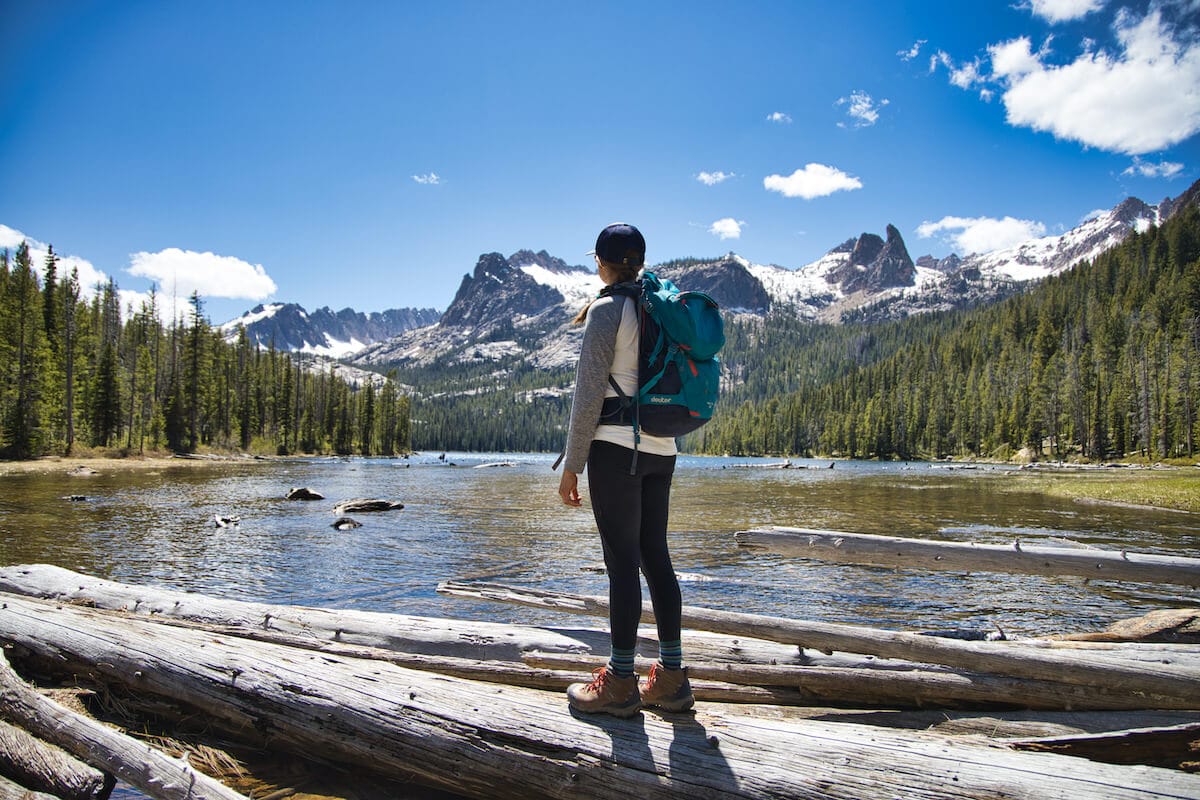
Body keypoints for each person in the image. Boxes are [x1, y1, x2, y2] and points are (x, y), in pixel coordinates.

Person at [556, 222, 694, 717]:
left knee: (621, 563)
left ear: (601, 262)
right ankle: (673, 678)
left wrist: (573, 465)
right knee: (656, 556)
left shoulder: (608, 310)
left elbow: (589, 392)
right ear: (639, 260)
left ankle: (619, 682)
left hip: (616, 451)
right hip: (663, 450)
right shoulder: (660, 309)